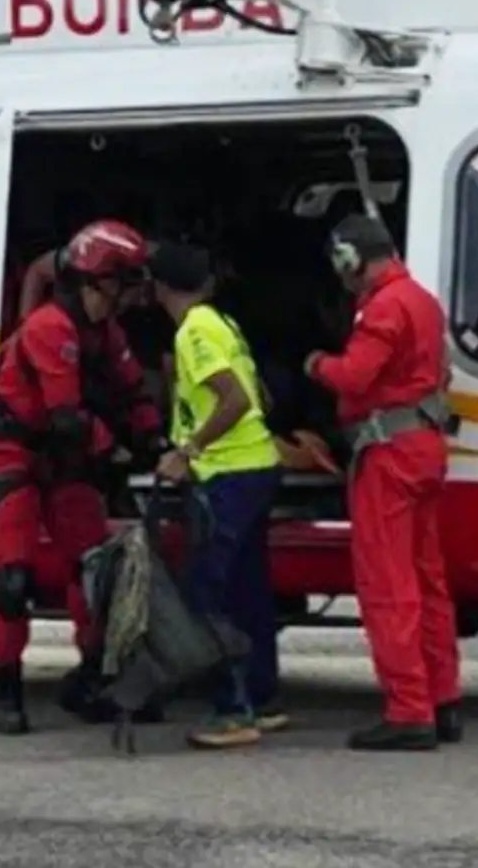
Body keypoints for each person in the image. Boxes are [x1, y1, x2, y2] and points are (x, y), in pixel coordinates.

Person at [0, 218, 167, 735]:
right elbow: (67, 418)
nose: (133, 292)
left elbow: (131, 391)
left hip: (65, 458)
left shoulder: (104, 331)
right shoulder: (50, 329)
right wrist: (118, 449)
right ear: (100, 279)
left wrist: (155, 441)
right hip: (13, 454)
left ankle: (92, 678)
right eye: (126, 281)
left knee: (94, 570)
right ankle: (5, 689)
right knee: (13, 580)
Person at [302, 214, 462, 752]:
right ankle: (443, 700)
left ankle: (408, 710)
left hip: (388, 455)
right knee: (427, 579)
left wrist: (315, 363)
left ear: (350, 259)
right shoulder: (422, 300)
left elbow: (355, 376)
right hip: (425, 447)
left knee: (387, 585)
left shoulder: (384, 307)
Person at [148, 241, 287, 749]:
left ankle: (231, 711)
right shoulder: (224, 323)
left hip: (227, 474)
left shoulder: (193, 332)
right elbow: (263, 397)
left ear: (159, 287)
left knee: (208, 590)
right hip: (258, 467)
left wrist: (187, 451)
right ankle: (262, 696)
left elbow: (236, 397)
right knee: (250, 589)